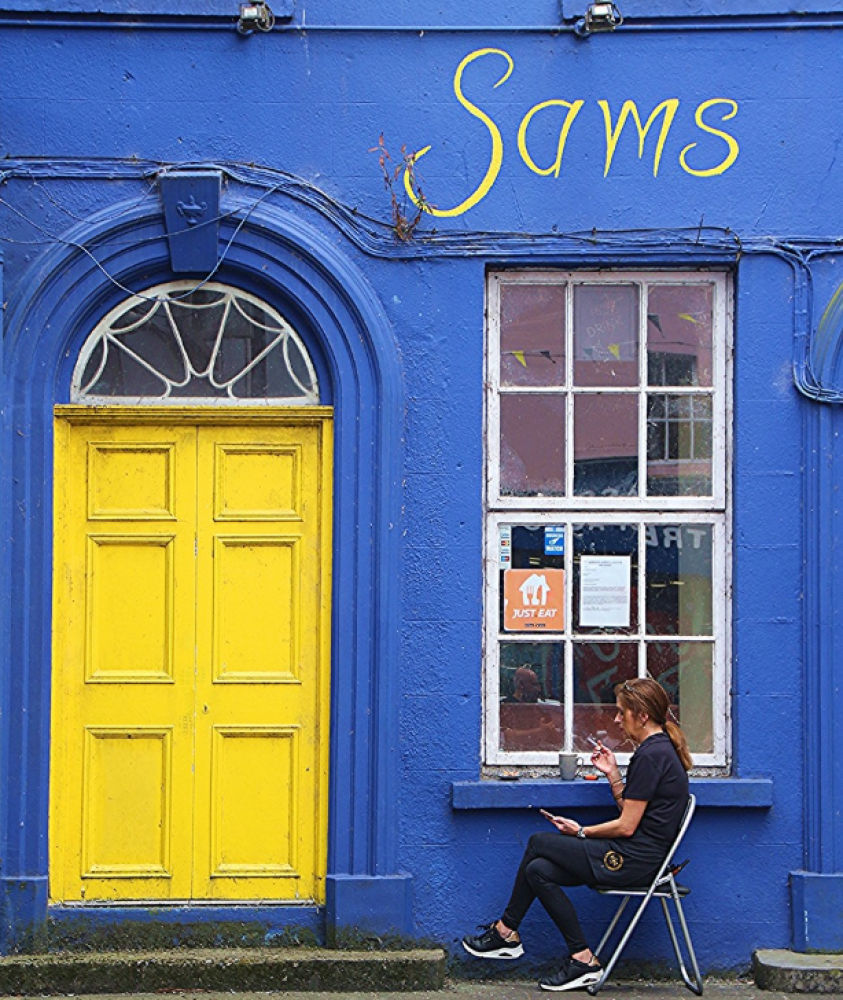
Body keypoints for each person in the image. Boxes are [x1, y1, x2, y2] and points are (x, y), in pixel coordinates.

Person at [462, 677, 692, 993]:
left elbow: (627, 825)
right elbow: (633, 811)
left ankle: (505, 933)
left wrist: (581, 831)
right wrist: (613, 774)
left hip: (634, 861)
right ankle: (582, 958)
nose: (615, 719)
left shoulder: (652, 755)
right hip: (635, 854)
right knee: (538, 870)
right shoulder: (657, 750)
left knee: (537, 842)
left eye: (621, 712)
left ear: (642, 715)